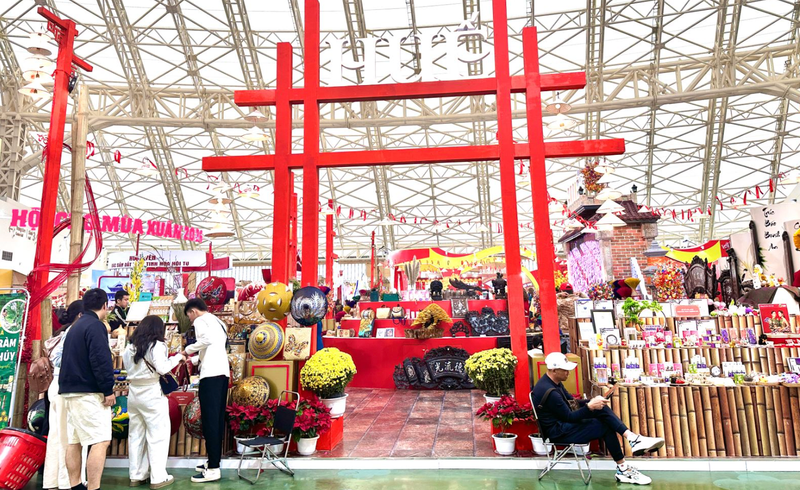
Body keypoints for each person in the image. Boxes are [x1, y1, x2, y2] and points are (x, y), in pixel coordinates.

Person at [531, 353, 664, 485]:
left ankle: (632, 440)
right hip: (559, 433)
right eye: (565, 370)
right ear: (554, 370)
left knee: (601, 408)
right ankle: (624, 467)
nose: (568, 372)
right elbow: (569, 416)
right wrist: (589, 406)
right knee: (604, 426)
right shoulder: (550, 392)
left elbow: (573, 403)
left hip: (563, 425)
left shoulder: (553, 382)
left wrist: (593, 402)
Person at [59, 288, 115, 490]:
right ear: (105, 306)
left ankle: (76, 486)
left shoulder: (75, 327)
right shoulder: (95, 326)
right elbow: (100, 360)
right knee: (100, 441)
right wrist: (108, 390)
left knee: (74, 441)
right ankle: (94, 488)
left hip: (69, 391)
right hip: (88, 392)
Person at [123, 316, 185, 489]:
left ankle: (136, 475)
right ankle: (158, 477)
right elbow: (163, 368)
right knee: (157, 435)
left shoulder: (130, 347)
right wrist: (177, 358)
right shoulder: (157, 345)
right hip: (151, 393)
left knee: (135, 435)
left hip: (133, 393)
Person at [180, 298, 229, 483]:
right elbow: (214, 347)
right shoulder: (217, 321)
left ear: (193, 311)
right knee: (216, 420)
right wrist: (194, 360)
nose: (191, 321)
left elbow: (206, 341)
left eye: (189, 317)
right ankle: (213, 461)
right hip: (222, 374)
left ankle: (214, 469)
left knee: (209, 421)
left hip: (210, 376)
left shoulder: (201, 320)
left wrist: (187, 351)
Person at [43, 301, 85, 490]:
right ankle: (66, 481)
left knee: (55, 435)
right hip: (66, 386)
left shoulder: (59, 334)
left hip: (55, 386)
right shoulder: (74, 334)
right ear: (80, 316)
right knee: (69, 436)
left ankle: (51, 480)